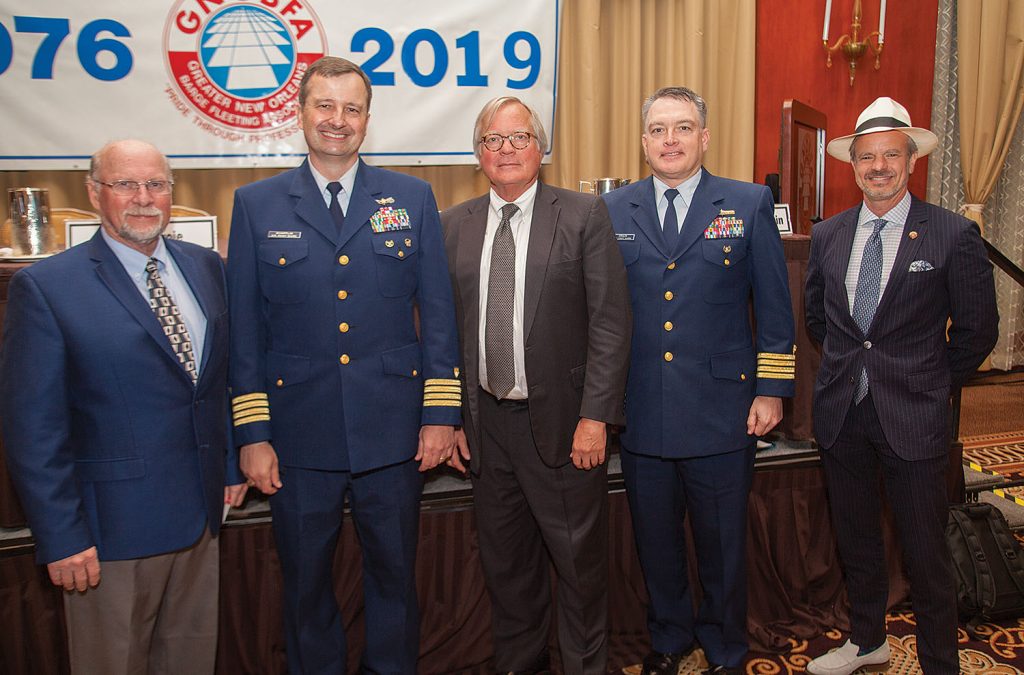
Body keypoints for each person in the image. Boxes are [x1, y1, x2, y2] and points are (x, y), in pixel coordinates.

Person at [226, 56, 461, 674]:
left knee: (394, 579)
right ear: (299, 114)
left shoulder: (411, 198)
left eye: (351, 108)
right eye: (324, 106)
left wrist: (440, 414)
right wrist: (252, 434)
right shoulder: (256, 205)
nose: (337, 120)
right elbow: (245, 333)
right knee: (305, 586)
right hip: (298, 437)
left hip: (393, 433)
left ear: (367, 119)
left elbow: (437, 316)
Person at [0, 139, 246, 674]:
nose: (143, 198)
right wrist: (61, 536)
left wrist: (229, 466)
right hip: (108, 535)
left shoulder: (207, 267)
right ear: (94, 193)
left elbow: (217, 383)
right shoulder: (46, 287)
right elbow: (32, 429)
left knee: (189, 660)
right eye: (125, 184)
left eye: (155, 184)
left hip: (202, 517)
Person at [602, 86, 795, 675]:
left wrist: (772, 389)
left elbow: (775, 308)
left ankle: (726, 648)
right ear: (643, 142)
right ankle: (668, 640)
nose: (670, 140)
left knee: (721, 546)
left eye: (682, 128)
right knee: (656, 545)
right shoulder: (612, 211)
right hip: (643, 410)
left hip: (722, 408)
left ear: (704, 138)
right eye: (658, 129)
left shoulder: (748, 202)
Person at [803, 96, 998, 675]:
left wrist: (929, 381)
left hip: (915, 416)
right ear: (853, 165)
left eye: (891, 155)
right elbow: (820, 321)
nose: (879, 167)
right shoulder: (828, 235)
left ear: (912, 162)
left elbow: (978, 330)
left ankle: (941, 663)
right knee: (857, 541)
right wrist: (852, 368)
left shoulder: (951, 234)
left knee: (925, 554)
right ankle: (868, 642)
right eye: (868, 157)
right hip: (843, 414)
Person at [441, 96, 631, 675]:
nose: (506, 151)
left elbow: (610, 322)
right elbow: (444, 331)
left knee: (578, 571)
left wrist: (596, 416)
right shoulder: (453, 224)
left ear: (541, 148)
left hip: (564, 427)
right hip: (486, 430)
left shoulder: (582, 215)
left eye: (518, 138)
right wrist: (447, 417)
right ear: (478, 155)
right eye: (493, 141)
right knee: (508, 571)